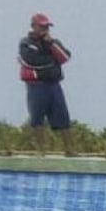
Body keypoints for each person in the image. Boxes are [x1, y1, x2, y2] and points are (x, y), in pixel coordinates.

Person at [18, 12, 76, 156]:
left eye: (47, 27)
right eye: (42, 26)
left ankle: (69, 149)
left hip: (54, 85)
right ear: (33, 26)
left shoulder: (53, 42)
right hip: (36, 86)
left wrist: (52, 45)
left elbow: (65, 57)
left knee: (63, 117)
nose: (45, 30)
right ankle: (41, 151)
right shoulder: (26, 43)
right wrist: (52, 61)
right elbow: (31, 61)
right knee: (37, 118)